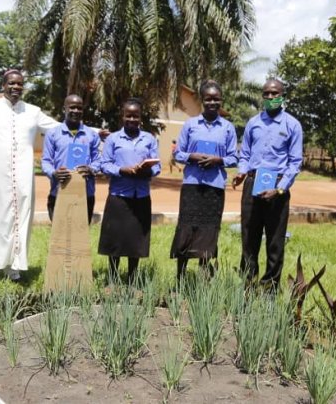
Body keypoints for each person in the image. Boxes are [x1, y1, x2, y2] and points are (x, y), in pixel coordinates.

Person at [0, 69, 59, 281]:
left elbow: (59, 128)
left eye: (19, 84)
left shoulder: (33, 111)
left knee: (21, 216)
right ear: (3, 85)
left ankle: (13, 265)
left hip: (23, 175)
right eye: (11, 83)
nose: (15, 87)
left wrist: (95, 132)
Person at [232, 78, 303, 290]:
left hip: (278, 187)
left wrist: (280, 188)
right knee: (249, 237)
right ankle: (248, 284)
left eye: (275, 93)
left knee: (275, 241)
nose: (270, 97)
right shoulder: (253, 123)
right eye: (267, 94)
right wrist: (241, 172)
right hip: (252, 184)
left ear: (282, 96)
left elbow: (295, 162)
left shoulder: (292, 125)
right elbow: (244, 154)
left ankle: (270, 288)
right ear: (262, 96)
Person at [171, 81, 237, 280]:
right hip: (192, 184)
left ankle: (203, 276)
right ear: (202, 100)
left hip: (215, 186)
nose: (212, 102)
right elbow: (178, 153)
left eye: (216, 98)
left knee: (209, 229)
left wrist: (218, 160)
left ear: (221, 100)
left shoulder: (228, 128)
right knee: (187, 227)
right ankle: (180, 276)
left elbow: (234, 157)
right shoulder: (190, 125)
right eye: (208, 98)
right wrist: (192, 157)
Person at [98, 98, 160, 284]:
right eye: (128, 115)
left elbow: (157, 166)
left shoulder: (149, 138)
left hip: (140, 195)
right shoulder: (113, 139)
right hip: (119, 195)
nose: (132, 119)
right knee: (115, 239)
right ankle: (112, 278)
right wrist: (121, 170)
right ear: (122, 116)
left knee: (136, 240)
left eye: (136, 116)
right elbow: (104, 164)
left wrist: (147, 170)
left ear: (141, 118)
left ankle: (133, 279)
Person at [41, 94, 101, 224]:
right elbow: (46, 160)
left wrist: (91, 169)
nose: (76, 111)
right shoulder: (52, 134)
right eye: (72, 107)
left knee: (81, 238)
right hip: (59, 191)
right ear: (65, 109)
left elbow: (98, 160)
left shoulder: (92, 135)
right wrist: (53, 173)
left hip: (85, 193)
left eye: (79, 108)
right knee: (59, 237)